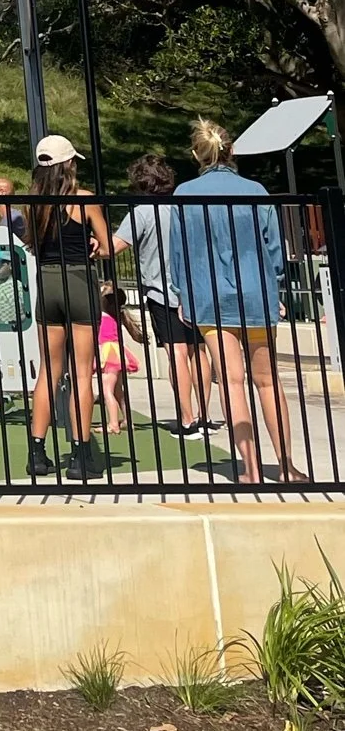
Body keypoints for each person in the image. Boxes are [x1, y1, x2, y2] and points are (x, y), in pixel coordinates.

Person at [175, 118, 305, 487]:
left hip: (208, 292)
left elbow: (179, 252)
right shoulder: (256, 191)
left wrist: (184, 293)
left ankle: (248, 468)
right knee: (267, 381)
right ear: (230, 151)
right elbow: (273, 247)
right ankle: (286, 465)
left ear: (197, 155)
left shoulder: (184, 194)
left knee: (232, 382)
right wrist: (274, 284)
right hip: (255, 290)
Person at [23, 133, 114, 482]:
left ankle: (37, 450)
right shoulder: (83, 200)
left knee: (49, 369)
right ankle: (80, 452)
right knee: (81, 371)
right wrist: (92, 243)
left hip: (46, 281)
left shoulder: (31, 203)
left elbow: (32, 243)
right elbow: (106, 247)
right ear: (69, 164)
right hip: (77, 279)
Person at [113, 152, 209, 434]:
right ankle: (204, 414)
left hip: (161, 290)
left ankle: (187, 417)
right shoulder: (187, 206)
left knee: (176, 353)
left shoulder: (141, 212)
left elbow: (116, 245)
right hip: (195, 288)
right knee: (198, 351)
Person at [94, 280, 141, 444]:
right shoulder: (118, 315)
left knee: (107, 390)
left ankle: (113, 424)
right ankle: (128, 420)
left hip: (108, 354)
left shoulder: (101, 317)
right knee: (119, 391)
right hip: (119, 353)